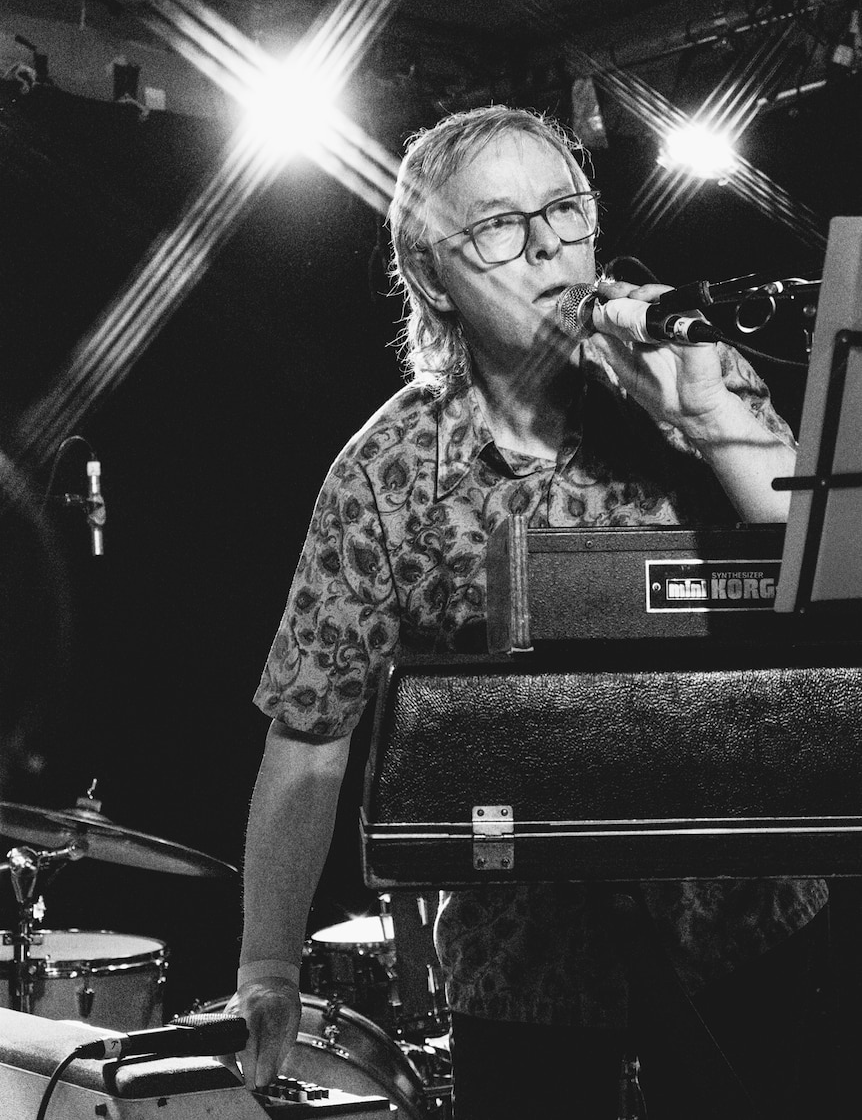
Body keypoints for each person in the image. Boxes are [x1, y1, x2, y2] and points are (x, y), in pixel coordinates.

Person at [229, 105, 828, 1118]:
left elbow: (827, 581)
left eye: (565, 208)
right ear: (432, 276)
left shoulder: (690, 369)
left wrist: (712, 423)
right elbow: (311, 740)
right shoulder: (386, 473)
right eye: (500, 225)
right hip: (528, 978)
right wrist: (268, 967)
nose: (548, 243)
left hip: (748, 937)